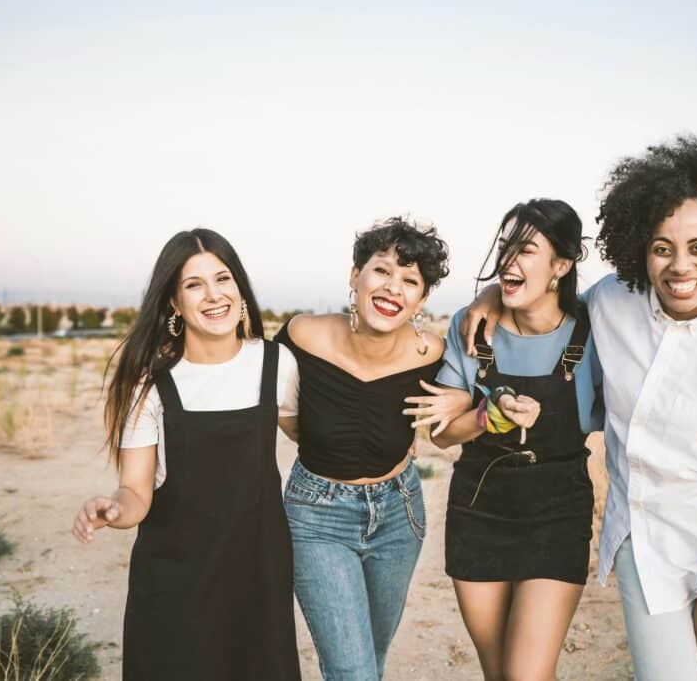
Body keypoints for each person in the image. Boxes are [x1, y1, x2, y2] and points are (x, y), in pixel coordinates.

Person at [463, 136, 697, 681]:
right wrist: (488, 297)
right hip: (646, 552)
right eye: (662, 247)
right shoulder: (613, 302)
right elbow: (544, 299)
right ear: (639, 248)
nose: (680, 266)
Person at [71, 228, 301, 680]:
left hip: (258, 576)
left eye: (224, 279)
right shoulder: (150, 382)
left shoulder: (278, 364)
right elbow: (136, 490)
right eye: (194, 285)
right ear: (174, 302)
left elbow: (314, 443)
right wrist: (114, 509)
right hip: (176, 582)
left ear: (239, 286)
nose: (214, 295)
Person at [274, 217, 463, 681]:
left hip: (399, 514)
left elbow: (445, 433)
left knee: (370, 662)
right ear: (355, 276)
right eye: (382, 271)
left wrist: (467, 402)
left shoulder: (434, 354)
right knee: (353, 672)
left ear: (421, 299)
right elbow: (285, 414)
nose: (393, 287)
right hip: (316, 517)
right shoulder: (303, 336)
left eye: (411, 280)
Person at [424, 199, 603, 681]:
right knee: (500, 673)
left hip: (557, 517)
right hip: (479, 512)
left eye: (525, 249)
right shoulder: (472, 325)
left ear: (561, 266)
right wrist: (488, 416)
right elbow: (440, 434)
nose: (509, 261)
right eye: (504, 248)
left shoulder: (596, 331)